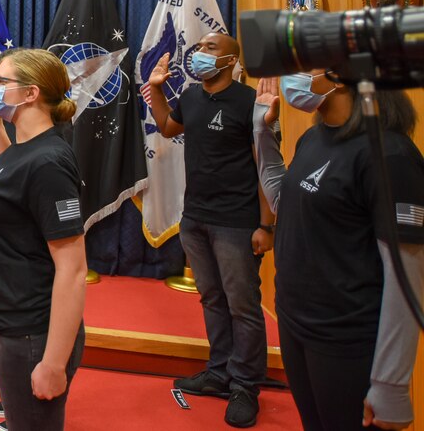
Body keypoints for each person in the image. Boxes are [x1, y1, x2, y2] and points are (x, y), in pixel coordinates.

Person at [255, 72, 424, 430]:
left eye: (307, 65)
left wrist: (391, 383)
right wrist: (263, 131)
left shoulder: (390, 155)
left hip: (346, 340)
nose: (295, 76)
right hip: (296, 323)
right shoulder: (314, 137)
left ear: (342, 77)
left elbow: (406, 278)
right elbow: (282, 202)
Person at [144, 32, 275, 428]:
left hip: (236, 222)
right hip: (195, 218)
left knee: (242, 306)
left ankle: (245, 385)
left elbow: (265, 167)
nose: (199, 52)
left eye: (210, 48)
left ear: (231, 60)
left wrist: (266, 225)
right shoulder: (191, 97)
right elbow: (167, 127)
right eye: (199, 47)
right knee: (213, 299)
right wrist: (156, 89)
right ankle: (219, 373)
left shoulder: (249, 102)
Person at [0, 48, 87, 431]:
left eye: (1, 81)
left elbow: (73, 269)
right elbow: (6, 182)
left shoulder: (49, 162)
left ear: (31, 93)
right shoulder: (23, 148)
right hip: (4, 321)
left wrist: (53, 363)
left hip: (31, 333)